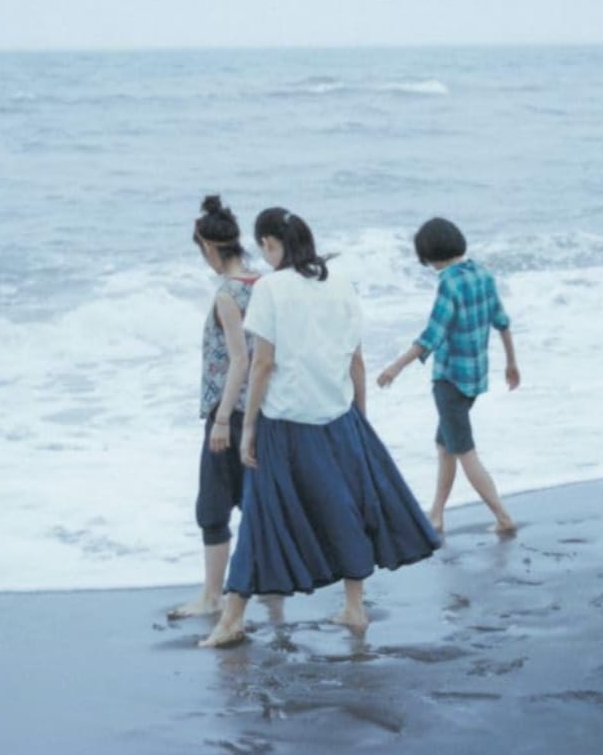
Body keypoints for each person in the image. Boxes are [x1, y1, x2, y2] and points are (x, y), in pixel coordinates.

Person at [200, 207, 441, 648]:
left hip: (286, 422)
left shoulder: (272, 287)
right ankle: (355, 606)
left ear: (272, 244)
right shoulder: (341, 282)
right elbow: (356, 357)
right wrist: (360, 419)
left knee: (260, 517)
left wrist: (248, 427)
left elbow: (262, 364)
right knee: (345, 509)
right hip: (338, 416)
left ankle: (232, 617)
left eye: (264, 247)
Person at [377, 217, 520, 535]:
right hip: (474, 378)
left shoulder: (449, 282)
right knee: (445, 447)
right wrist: (511, 363)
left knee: (464, 451)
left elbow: (432, 335)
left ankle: (503, 516)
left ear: (430, 254)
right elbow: (502, 321)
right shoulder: (482, 273)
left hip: (450, 381)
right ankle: (437, 514)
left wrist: (395, 367)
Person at [168, 195, 259, 620]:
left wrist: (221, 418)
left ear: (208, 246)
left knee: (212, 506)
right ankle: (266, 587)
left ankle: (211, 596)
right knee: (253, 501)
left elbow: (238, 359)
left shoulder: (227, 294)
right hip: (260, 411)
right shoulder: (263, 283)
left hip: (230, 413)